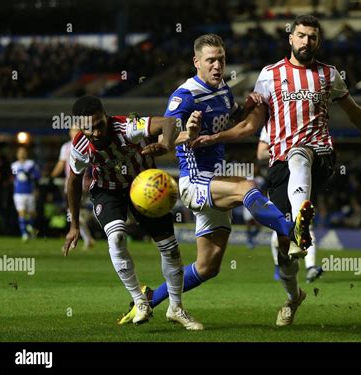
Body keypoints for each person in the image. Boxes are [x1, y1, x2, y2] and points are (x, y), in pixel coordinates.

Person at [192, 16, 361, 325]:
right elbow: (251, 125)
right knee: (279, 247)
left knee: (300, 153)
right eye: (301, 35)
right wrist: (217, 137)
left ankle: (300, 230)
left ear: (318, 41)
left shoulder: (329, 75)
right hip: (280, 165)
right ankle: (292, 296)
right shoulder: (269, 76)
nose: (306, 42)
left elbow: (354, 111)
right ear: (291, 38)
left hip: (321, 154)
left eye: (312, 37)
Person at [118, 33, 314, 327]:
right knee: (246, 187)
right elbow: (165, 134)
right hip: (194, 183)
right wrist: (188, 135)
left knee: (208, 267)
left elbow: (231, 117)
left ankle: (151, 300)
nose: (217, 65)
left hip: (214, 183)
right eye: (211, 60)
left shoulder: (223, 88)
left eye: (221, 59)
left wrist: (249, 106)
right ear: (196, 62)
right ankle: (293, 231)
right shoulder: (185, 95)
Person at [63, 95, 204, 330]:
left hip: (144, 186)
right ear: (80, 126)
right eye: (89, 128)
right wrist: (74, 225)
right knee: (117, 236)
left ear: (105, 117)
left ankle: (176, 308)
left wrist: (166, 145)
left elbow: (169, 123)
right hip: (108, 191)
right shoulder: (80, 147)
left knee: (169, 248)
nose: (96, 133)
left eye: (99, 124)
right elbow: (73, 182)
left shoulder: (128, 125)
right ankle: (140, 301)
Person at [257, 127, 323, 282]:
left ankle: (310, 267)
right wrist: (285, 149)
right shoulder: (270, 125)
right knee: (280, 229)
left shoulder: (306, 123)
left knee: (305, 224)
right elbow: (260, 153)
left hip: (302, 179)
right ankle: (279, 265)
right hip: (280, 181)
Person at [51, 128, 95, 249]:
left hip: (83, 185)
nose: (74, 132)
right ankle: (87, 238)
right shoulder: (66, 147)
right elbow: (61, 164)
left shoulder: (87, 143)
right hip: (70, 185)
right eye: (72, 130)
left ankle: (82, 237)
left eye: (76, 129)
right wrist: (51, 176)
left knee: (73, 213)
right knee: (73, 213)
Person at [11, 146, 41, 242]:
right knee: (22, 212)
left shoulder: (31, 164)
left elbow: (37, 176)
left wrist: (30, 175)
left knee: (32, 213)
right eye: (20, 152)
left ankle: (31, 229)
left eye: (23, 152)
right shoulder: (14, 165)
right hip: (19, 193)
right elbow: (14, 177)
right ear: (17, 154)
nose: (22, 154)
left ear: (26, 153)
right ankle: (24, 233)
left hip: (30, 192)